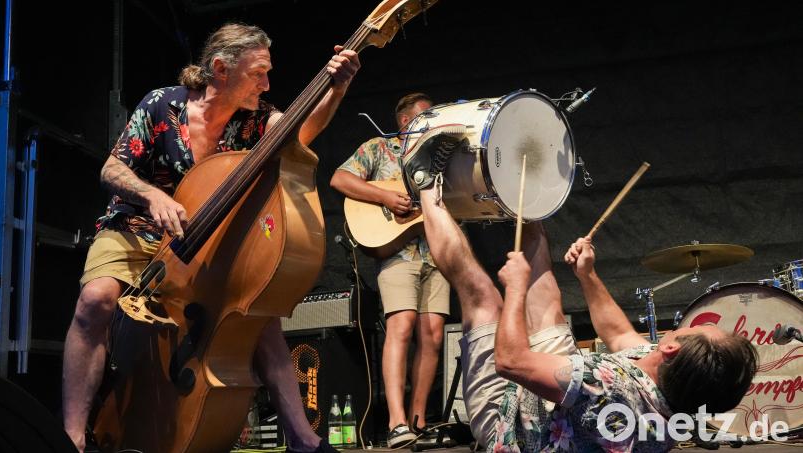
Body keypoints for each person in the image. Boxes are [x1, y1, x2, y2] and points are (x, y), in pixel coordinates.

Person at [62, 23, 360, 453]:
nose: (268, 83)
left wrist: (336, 89)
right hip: (137, 228)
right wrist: (150, 195)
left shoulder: (256, 118)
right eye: (258, 72)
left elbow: (300, 133)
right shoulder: (162, 105)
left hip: (202, 244)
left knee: (260, 319)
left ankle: (302, 439)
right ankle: (71, 435)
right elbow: (112, 169)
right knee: (96, 301)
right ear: (221, 68)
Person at [400, 133, 759, 451]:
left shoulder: (606, 389)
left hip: (510, 425)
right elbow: (619, 335)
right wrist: (587, 275)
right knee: (547, 288)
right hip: (560, 401)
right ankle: (521, 188)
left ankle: (425, 181)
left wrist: (516, 290)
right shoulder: (674, 386)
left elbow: (511, 363)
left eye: (691, 329)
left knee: (484, 298)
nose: (684, 327)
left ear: (671, 348)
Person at [329, 93, 450, 446]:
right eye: (426, 117)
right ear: (404, 122)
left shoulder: (442, 158)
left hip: (436, 253)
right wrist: (384, 197)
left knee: (434, 335)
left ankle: (418, 421)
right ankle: (396, 422)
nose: (433, 123)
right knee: (402, 325)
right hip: (398, 254)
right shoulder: (379, 149)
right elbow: (339, 179)